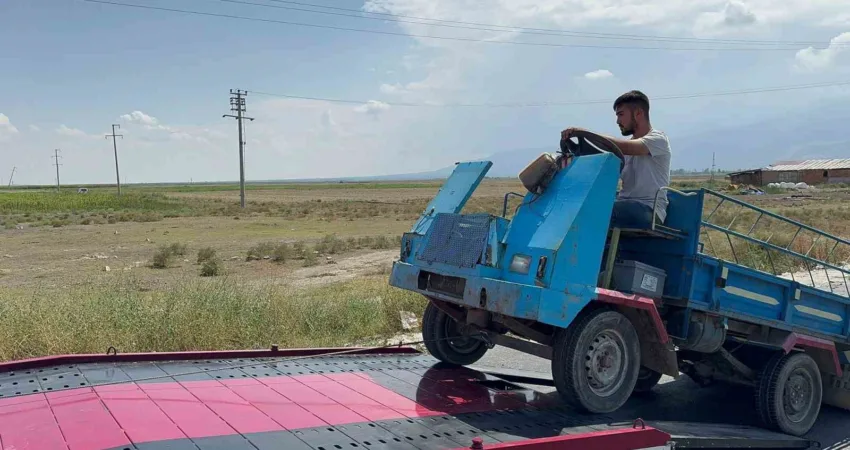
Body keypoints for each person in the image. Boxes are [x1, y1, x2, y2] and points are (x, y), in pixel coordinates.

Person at [561, 90, 671, 229]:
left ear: (638, 113)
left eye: (621, 114)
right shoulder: (624, 149)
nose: (618, 121)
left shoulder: (658, 140)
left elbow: (623, 147)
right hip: (624, 205)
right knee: (578, 204)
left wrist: (585, 133)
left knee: (599, 211)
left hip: (649, 210)